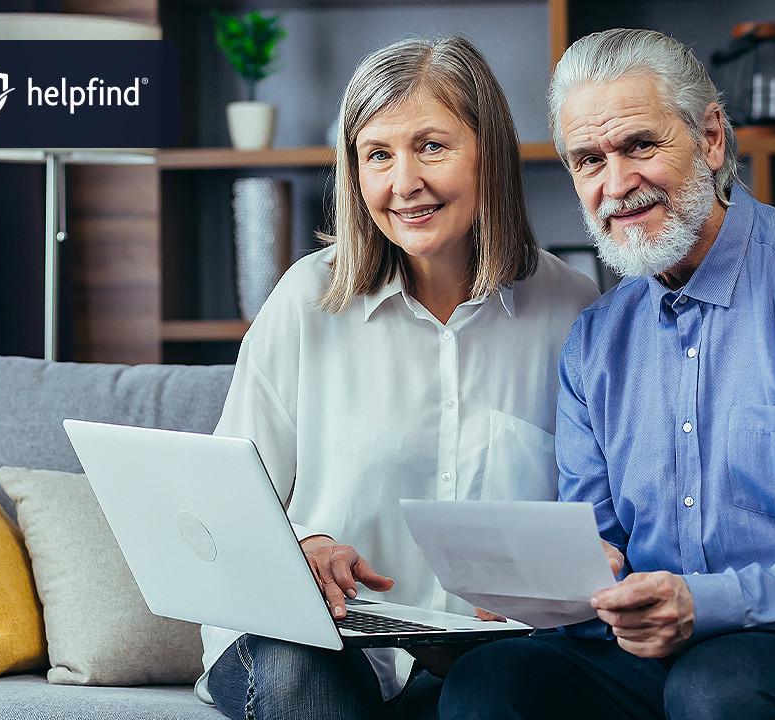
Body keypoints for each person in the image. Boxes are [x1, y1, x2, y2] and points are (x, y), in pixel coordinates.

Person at [439, 28, 775, 720]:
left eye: (640, 145)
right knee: (489, 682)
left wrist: (703, 604)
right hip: (665, 651)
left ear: (710, 138)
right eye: (588, 160)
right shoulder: (595, 340)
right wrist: (551, 588)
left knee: (718, 686)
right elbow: (601, 546)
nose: (617, 184)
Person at [196, 36, 599, 720]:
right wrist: (302, 548)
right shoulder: (307, 301)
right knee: (302, 670)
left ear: (489, 152)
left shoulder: (573, 310)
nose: (403, 182)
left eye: (431, 147)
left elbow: (598, 523)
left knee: (505, 689)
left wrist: (541, 594)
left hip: (487, 655)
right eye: (377, 155)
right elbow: (217, 507)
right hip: (309, 640)